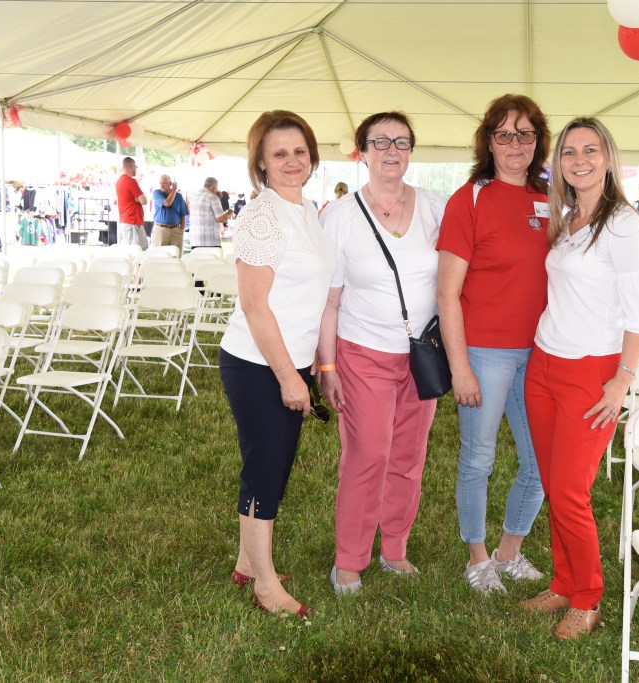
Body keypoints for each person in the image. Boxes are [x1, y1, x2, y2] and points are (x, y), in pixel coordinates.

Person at [520, 117, 639, 639]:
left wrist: (621, 381)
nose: (579, 160)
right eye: (569, 151)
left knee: (569, 491)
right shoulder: (568, 217)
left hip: (592, 372)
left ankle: (588, 597)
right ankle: (563, 582)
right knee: (553, 483)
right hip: (544, 364)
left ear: (608, 158)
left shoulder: (622, 224)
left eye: (590, 150)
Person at [318, 112, 446, 595]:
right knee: (367, 455)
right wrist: (327, 366)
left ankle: (394, 548)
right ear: (362, 151)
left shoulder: (435, 208)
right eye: (381, 141)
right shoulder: (340, 216)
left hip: (421, 356)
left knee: (409, 457)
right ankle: (350, 558)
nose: (392, 150)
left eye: (402, 141)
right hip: (362, 353)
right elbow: (329, 301)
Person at [219, 110, 334, 617]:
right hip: (257, 363)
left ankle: (248, 562)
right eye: (279, 153)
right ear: (261, 163)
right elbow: (254, 305)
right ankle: (265, 585)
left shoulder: (304, 209)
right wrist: (289, 377)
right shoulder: (262, 216)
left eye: (299, 151)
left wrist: (312, 368)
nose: (292, 161)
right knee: (265, 469)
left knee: (276, 463)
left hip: (292, 360)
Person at [435, 94, 552, 595]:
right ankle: (477, 559)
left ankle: (508, 552)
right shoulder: (470, 199)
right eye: (504, 134)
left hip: (542, 352)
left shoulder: (552, 198)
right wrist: (460, 366)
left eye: (525, 134)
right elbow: (447, 293)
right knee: (478, 459)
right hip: (484, 352)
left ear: (538, 142)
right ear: (489, 141)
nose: (515, 144)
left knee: (541, 461)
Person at [188, 176, 233, 249]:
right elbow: (221, 218)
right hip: (210, 241)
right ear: (215, 187)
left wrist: (218, 198)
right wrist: (229, 213)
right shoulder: (212, 197)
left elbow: (207, 211)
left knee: (197, 257)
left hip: (195, 241)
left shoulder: (194, 197)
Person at [115, 156, 148, 249]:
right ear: (132, 166)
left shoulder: (119, 181)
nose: (135, 169)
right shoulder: (130, 181)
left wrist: (138, 199)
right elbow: (144, 200)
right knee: (137, 250)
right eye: (135, 167)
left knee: (133, 250)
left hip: (126, 220)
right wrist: (138, 199)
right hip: (132, 221)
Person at [151, 174, 189, 251]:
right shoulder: (157, 193)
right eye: (160, 183)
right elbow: (167, 203)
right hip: (160, 229)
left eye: (164, 183)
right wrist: (174, 190)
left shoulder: (179, 196)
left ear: (170, 184)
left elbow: (183, 214)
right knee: (159, 254)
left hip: (175, 230)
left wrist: (182, 230)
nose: (161, 185)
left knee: (176, 254)